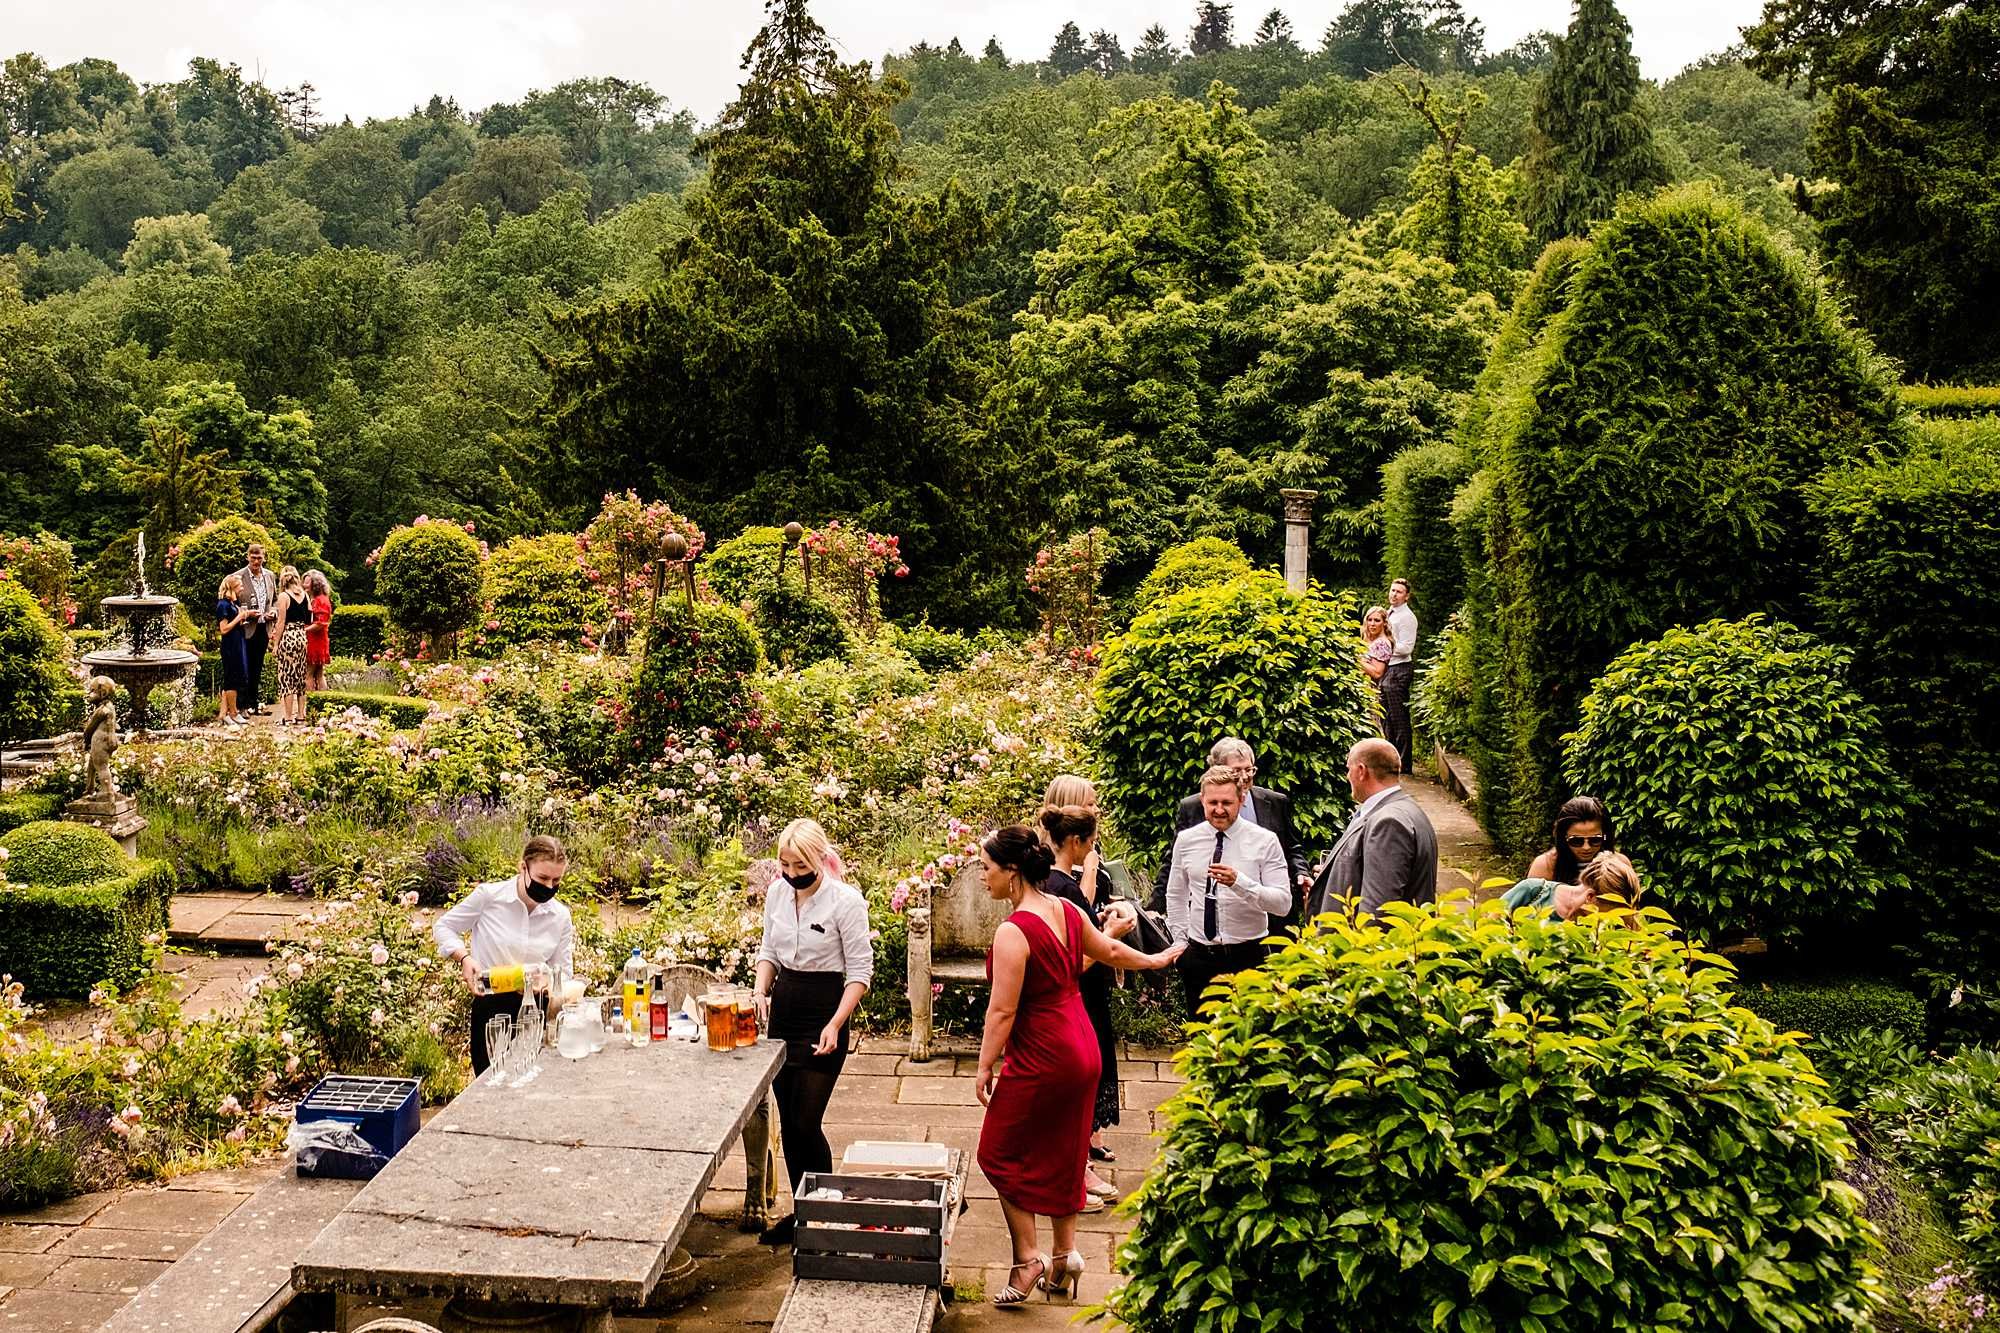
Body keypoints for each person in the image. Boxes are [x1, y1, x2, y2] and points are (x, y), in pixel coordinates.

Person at [974, 825, 1182, 1307]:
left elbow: (1002, 1012)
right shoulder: (1066, 909)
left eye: (986, 868)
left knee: (999, 1152)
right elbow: (1107, 951)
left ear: (1011, 872)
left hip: (1044, 1052)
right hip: (1082, 1045)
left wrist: (986, 1066)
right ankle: (1065, 1257)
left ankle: (1028, 1261)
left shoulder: (1013, 931)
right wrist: (1156, 961)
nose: (983, 877)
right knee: (1067, 1151)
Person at [752, 818, 872, 1246]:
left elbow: (859, 972)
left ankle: (825, 1214)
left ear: (820, 860)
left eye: (799, 865)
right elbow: (769, 949)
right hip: (786, 1003)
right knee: (788, 1119)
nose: (791, 874)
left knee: (807, 1121)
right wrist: (760, 989)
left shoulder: (845, 902)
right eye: (784, 864)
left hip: (826, 1007)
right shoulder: (778, 893)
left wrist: (836, 1024)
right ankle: (804, 1212)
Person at [1039, 777, 1135, 1204]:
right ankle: (1075, 1166)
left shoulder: (1067, 862)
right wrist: (1110, 928)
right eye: (1091, 805)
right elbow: (1076, 921)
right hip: (1074, 977)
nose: (1098, 810)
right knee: (1080, 1067)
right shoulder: (1055, 869)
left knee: (1092, 1061)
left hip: (1085, 972)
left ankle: (1082, 1151)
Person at [432, 835, 575, 1076]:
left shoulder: (560, 916)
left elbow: (564, 972)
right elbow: (443, 927)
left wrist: (548, 981)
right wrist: (464, 958)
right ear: (523, 868)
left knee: (534, 1085)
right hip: (491, 1006)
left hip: (536, 1009)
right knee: (490, 1082)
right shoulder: (490, 897)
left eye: (556, 880)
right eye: (542, 878)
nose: (549, 887)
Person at [1166, 766, 1291, 1014]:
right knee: (1201, 1041)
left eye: (1227, 802)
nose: (1219, 810)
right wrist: (1180, 943)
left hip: (1249, 956)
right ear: (1202, 800)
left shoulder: (1265, 840)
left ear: (1242, 800)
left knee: (1250, 1041)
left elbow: (1283, 903)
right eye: (1212, 802)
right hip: (1200, 957)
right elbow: (1176, 894)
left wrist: (1240, 883)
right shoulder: (1187, 840)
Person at [1173, 739, 1311, 937]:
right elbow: (1175, 870)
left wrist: (1301, 871)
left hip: (1272, 916)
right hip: (1210, 928)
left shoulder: (1275, 801)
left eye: (1250, 770)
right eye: (1238, 771)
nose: (1245, 777)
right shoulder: (1193, 808)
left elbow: (1291, 846)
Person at [1305, 738, 1439, 921]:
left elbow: (1378, 909)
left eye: (1348, 769)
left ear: (1361, 771)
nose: (1347, 777)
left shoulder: (1389, 822)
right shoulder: (1406, 808)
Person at [1502, 851, 1644, 922]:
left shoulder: (1595, 933)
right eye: (1612, 913)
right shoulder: (1534, 891)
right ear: (1590, 897)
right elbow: (1485, 926)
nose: (1612, 921)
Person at [1526, 796, 1618, 885]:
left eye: (1595, 840)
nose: (1586, 847)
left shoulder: (1618, 864)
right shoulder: (1545, 866)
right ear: (1563, 838)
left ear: (1605, 836)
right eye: (1576, 841)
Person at [232, 544, 278, 716]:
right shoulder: (238, 576)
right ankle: (241, 705)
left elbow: (274, 600)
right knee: (244, 666)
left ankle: (253, 703)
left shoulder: (270, 576)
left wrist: (274, 611)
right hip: (245, 628)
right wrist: (245, 613)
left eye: (260, 558)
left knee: (257, 667)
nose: (257, 561)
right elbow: (231, 602)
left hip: (264, 627)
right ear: (247, 557)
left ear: (264, 557)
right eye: (253, 558)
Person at [1382, 578, 1419, 773]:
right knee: (1387, 718)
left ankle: (1404, 764)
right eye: (1392, 590)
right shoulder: (1389, 614)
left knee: (1399, 718)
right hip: (1389, 669)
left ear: (1406, 596)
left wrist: (1385, 649)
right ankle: (1391, 760)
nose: (1394, 594)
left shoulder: (1407, 617)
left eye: (1398, 592)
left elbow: (1406, 647)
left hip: (1400, 669)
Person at [272, 566, 310, 727]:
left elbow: (281, 622)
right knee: (301, 677)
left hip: (288, 636)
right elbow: (310, 618)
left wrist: (275, 644)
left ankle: (287, 717)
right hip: (302, 636)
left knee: (287, 677)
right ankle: (301, 715)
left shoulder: (283, 596)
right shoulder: (305, 595)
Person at [216, 574, 252, 728]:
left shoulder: (232, 603)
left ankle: (223, 714)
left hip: (238, 642)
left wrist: (243, 618)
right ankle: (233, 712)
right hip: (230, 645)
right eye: (239, 586)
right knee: (232, 679)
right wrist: (238, 618)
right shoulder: (223, 605)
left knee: (235, 678)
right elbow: (223, 629)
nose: (242, 588)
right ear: (232, 587)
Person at [304, 570, 333, 695]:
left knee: (309, 673)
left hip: (315, 641)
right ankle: (321, 702)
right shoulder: (317, 599)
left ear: (315, 585)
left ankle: (310, 704)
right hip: (318, 640)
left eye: (307, 583)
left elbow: (321, 623)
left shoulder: (320, 600)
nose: (304, 585)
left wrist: (303, 629)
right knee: (319, 673)